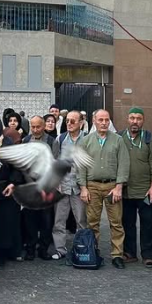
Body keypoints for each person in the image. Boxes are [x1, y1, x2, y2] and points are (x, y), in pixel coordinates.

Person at [77, 110, 129, 268]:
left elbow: (123, 164)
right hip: (92, 186)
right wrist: (83, 188)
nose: (104, 123)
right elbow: (81, 166)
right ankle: (93, 250)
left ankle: (117, 254)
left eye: (107, 120)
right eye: (101, 120)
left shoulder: (118, 140)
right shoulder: (86, 141)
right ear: (94, 121)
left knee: (116, 222)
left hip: (112, 186)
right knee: (92, 222)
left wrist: (119, 187)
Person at [120, 107, 152, 267]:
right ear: (128, 119)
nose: (135, 121)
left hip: (146, 191)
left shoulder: (150, 139)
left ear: (143, 120)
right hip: (126, 191)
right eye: (132, 118)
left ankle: (148, 255)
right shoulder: (119, 138)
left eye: (138, 118)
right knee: (127, 223)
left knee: (149, 223)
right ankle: (129, 252)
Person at [21, 116, 60, 260]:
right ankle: (30, 249)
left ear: (43, 126)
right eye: (33, 127)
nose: (35, 130)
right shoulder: (25, 141)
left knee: (46, 220)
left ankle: (43, 249)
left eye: (38, 127)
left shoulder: (52, 142)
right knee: (29, 220)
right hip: (30, 186)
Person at [52, 111, 87, 260]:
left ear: (81, 123)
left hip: (80, 187)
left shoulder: (87, 139)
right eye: (67, 121)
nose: (69, 123)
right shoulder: (60, 139)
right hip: (63, 186)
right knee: (59, 221)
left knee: (81, 220)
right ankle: (60, 249)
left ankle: (82, 249)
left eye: (73, 121)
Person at [0, 126, 24, 264]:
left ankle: (8, 252)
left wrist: (13, 182)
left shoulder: (8, 144)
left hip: (6, 190)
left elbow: (17, 166)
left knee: (7, 223)